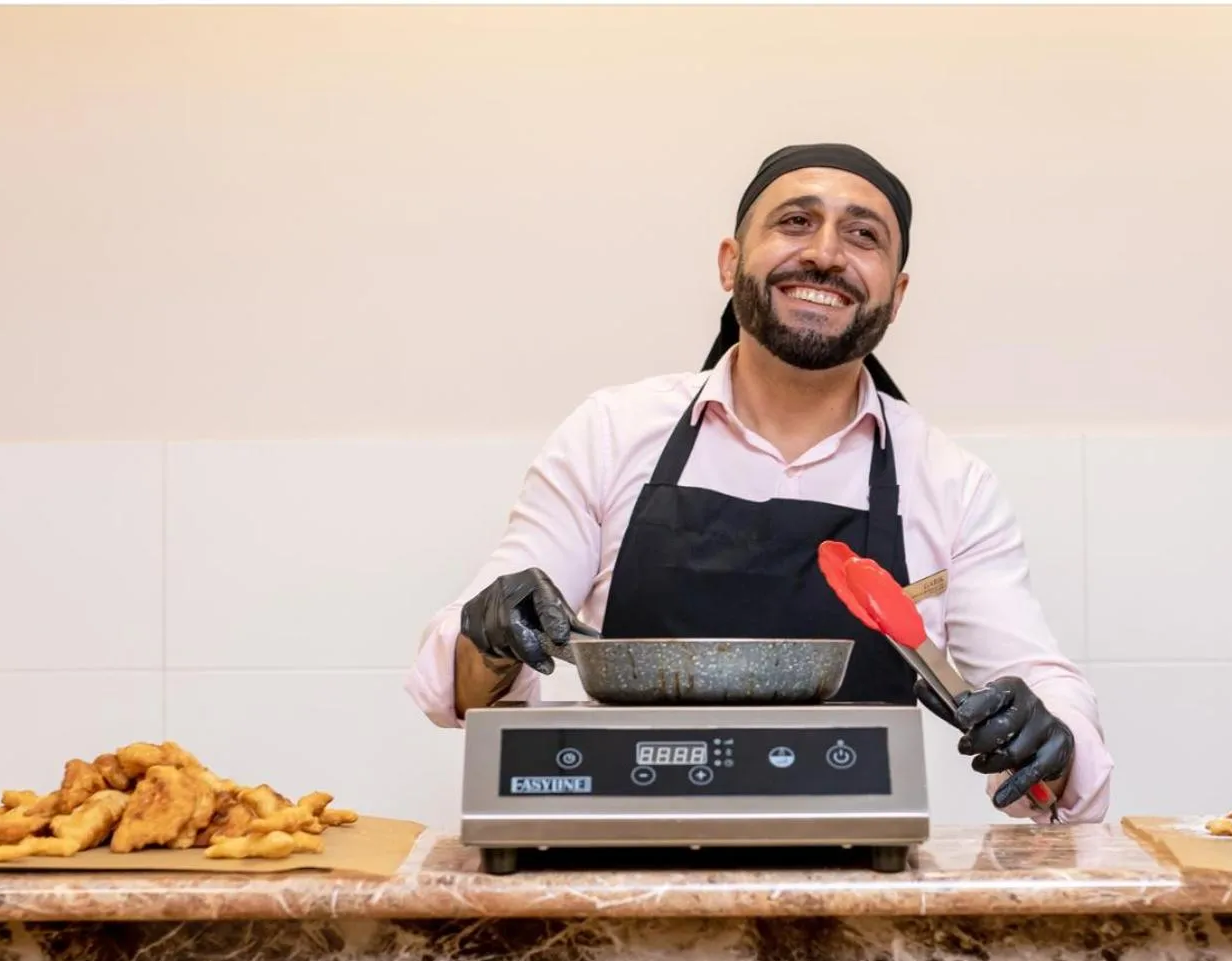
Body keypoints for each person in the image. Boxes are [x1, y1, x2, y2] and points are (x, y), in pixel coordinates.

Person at [405, 143, 1111, 821]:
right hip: (622, 866)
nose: (826, 253)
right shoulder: (613, 434)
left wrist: (1049, 740)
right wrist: (489, 632)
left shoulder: (950, 481)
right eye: (796, 221)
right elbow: (459, 692)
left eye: (862, 235)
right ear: (729, 262)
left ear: (895, 297)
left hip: (863, 884)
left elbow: (1043, 690)